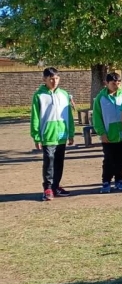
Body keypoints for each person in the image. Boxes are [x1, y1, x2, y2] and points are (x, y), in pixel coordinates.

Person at [31, 67, 75, 201]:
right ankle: (48, 188)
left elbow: (69, 115)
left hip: (61, 134)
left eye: (56, 78)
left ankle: (56, 186)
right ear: (44, 79)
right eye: (51, 79)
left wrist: (71, 133)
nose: (54, 81)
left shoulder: (64, 94)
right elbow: (35, 117)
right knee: (49, 160)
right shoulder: (39, 95)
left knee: (59, 162)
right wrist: (36, 136)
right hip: (47, 135)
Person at [92, 72, 122, 193]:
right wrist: (102, 133)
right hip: (108, 135)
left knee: (121, 159)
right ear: (106, 83)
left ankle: (119, 180)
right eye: (113, 83)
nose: (116, 85)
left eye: (118, 82)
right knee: (108, 159)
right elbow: (97, 117)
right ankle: (106, 181)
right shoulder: (100, 98)